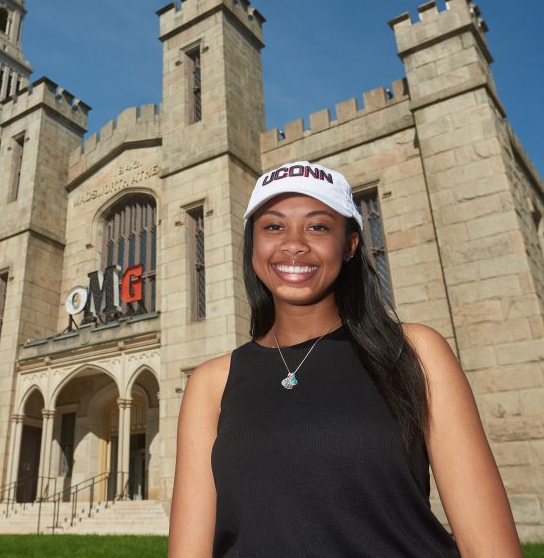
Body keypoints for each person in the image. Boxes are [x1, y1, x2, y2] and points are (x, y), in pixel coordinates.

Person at [169, 161, 521, 557]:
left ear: (350, 245)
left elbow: (489, 548)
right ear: (253, 243)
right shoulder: (211, 382)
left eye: (318, 226)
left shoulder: (414, 352)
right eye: (273, 226)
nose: (294, 243)